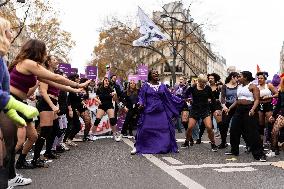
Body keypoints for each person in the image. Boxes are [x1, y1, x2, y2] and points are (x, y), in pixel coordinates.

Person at [8, 39, 89, 168]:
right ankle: (7, 174)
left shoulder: (32, 67)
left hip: (21, 103)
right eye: (44, 52)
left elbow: (56, 83)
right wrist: (78, 84)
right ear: (37, 51)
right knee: (18, 141)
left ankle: (20, 162)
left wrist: (75, 88)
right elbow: (56, 78)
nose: (45, 55)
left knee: (33, 136)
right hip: (12, 101)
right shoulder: (28, 63)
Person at [0, 16, 34, 189]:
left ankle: (10, 178)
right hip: (9, 104)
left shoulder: (2, 58)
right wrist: (17, 105)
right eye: (9, 30)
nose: (12, 33)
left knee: (10, 143)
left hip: (6, 106)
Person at [131, 70, 185, 154]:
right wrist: (141, 103)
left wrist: (182, 100)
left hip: (161, 111)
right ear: (150, 76)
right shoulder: (145, 86)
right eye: (154, 73)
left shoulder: (162, 86)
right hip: (149, 111)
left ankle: (167, 146)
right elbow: (141, 97)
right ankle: (138, 147)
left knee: (165, 129)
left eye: (157, 73)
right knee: (144, 129)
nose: (156, 74)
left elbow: (170, 97)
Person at [225, 71, 266, 161]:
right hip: (239, 109)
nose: (238, 78)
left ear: (246, 78)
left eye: (240, 76)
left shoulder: (253, 86)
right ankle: (234, 150)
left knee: (252, 132)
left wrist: (253, 109)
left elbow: (256, 100)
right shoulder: (239, 87)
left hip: (249, 109)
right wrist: (230, 108)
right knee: (234, 129)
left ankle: (259, 154)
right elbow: (237, 100)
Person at [181, 74, 219, 152]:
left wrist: (214, 109)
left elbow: (213, 99)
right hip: (195, 109)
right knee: (190, 127)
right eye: (202, 82)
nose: (204, 84)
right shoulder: (193, 87)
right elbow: (184, 94)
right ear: (199, 81)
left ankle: (213, 143)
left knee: (209, 127)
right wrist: (188, 98)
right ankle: (187, 142)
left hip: (205, 109)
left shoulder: (207, 88)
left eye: (205, 82)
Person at [93, 77, 122, 141]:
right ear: (103, 81)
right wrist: (98, 101)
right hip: (102, 106)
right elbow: (95, 97)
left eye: (108, 81)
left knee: (112, 120)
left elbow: (114, 99)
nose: (107, 82)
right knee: (97, 120)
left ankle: (114, 134)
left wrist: (115, 94)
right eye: (106, 81)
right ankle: (92, 134)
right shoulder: (99, 89)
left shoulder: (111, 89)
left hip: (109, 106)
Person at [256, 72, 278, 143]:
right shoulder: (256, 87)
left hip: (268, 105)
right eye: (258, 78)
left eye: (261, 78)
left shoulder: (268, 85)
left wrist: (269, 96)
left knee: (270, 123)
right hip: (260, 106)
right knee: (260, 124)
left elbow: (277, 94)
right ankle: (261, 142)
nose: (259, 79)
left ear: (265, 79)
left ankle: (272, 141)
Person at [219, 72, 239, 148]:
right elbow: (222, 97)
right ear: (232, 77)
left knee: (237, 126)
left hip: (237, 107)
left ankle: (244, 144)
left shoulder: (239, 86)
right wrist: (224, 107)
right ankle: (223, 142)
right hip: (227, 106)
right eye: (237, 78)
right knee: (224, 124)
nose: (238, 79)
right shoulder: (225, 86)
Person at [267, 77, 284, 157]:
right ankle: (274, 150)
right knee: (274, 131)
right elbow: (278, 105)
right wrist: (273, 116)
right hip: (283, 115)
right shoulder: (281, 91)